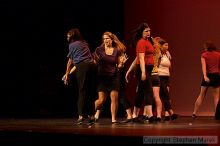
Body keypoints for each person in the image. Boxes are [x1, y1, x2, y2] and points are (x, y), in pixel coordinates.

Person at [62, 28, 96, 125]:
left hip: (83, 67)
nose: (67, 37)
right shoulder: (84, 43)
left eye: (68, 35)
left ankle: (81, 116)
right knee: (89, 91)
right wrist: (67, 74)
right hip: (92, 66)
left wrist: (67, 74)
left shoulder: (72, 45)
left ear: (72, 36)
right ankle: (91, 116)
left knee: (82, 90)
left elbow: (70, 62)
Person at [125, 23, 155, 123]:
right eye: (146, 31)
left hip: (147, 70)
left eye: (149, 31)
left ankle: (134, 115)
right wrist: (143, 72)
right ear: (141, 32)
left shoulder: (148, 41)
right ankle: (150, 115)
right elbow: (141, 59)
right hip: (143, 69)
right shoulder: (141, 42)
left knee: (141, 92)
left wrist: (129, 70)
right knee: (148, 90)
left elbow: (136, 58)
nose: (148, 32)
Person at [94, 31, 125, 123]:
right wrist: (96, 61)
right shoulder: (99, 49)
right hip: (102, 78)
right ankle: (94, 112)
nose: (105, 40)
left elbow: (119, 66)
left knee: (114, 99)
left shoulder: (117, 50)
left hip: (113, 77)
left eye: (107, 38)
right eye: (104, 39)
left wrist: (121, 64)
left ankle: (113, 119)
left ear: (111, 39)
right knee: (101, 100)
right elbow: (94, 63)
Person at [192, 41, 220, 118]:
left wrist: (205, 76)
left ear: (207, 47)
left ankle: (194, 113)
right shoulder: (218, 54)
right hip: (216, 76)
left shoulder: (204, 55)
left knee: (201, 95)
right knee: (216, 97)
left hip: (208, 75)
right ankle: (217, 114)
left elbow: (203, 66)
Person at [158, 38, 178, 121]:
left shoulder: (167, 53)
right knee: (164, 95)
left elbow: (169, 64)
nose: (167, 46)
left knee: (165, 96)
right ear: (161, 46)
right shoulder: (158, 54)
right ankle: (171, 113)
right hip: (159, 76)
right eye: (165, 45)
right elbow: (156, 64)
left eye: (167, 45)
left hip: (166, 76)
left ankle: (167, 114)